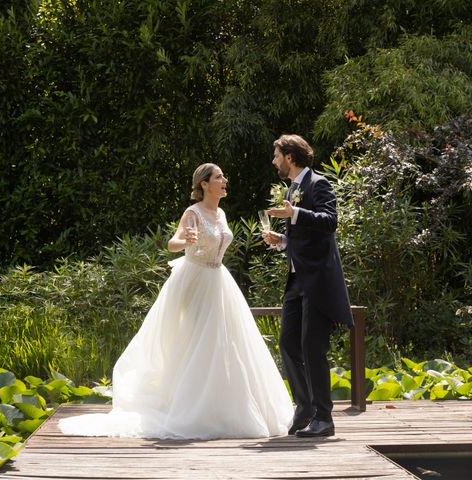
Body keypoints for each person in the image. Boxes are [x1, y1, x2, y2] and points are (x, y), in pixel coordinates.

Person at [58, 163, 293, 439]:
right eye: (219, 177)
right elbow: (173, 243)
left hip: (219, 281)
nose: (224, 180)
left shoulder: (221, 213)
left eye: (223, 177)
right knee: (199, 343)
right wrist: (186, 241)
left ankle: (222, 407)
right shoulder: (192, 213)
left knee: (226, 343)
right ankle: (191, 408)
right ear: (204, 184)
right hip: (195, 282)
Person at [262, 134, 353, 437]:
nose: (274, 161)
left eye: (277, 155)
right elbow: (303, 239)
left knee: (312, 346)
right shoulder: (293, 187)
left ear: (289, 155)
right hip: (296, 279)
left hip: (317, 280)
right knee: (288, 343)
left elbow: (329, 222)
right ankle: (305, 407)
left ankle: (324, 418)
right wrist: (282, 240)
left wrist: (295, 213)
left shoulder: (319, 183)